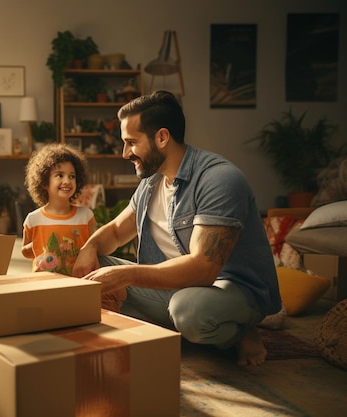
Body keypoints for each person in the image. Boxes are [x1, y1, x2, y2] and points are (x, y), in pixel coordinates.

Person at [72, 90, 281, 366]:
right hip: (178, 287)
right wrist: (90, 248)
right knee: (85, 272)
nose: (125, 153)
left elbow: (203, 269)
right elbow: (114, 231)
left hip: (232, 288)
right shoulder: (151, 181)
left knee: (187, 313)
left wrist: (126, 275)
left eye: (131, 143)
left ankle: (240, 330)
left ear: (161, 137)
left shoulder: (219, 179)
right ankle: (172, 326)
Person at [21, 143, 96, 276]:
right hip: (44, 286)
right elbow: (25, 252)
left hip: (78, 285)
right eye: (60, 175)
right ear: (44, 182)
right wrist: (43, 244)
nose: (67, 181)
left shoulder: (86, 216)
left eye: (72, 176)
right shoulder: (33, 219)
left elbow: (93, 251)